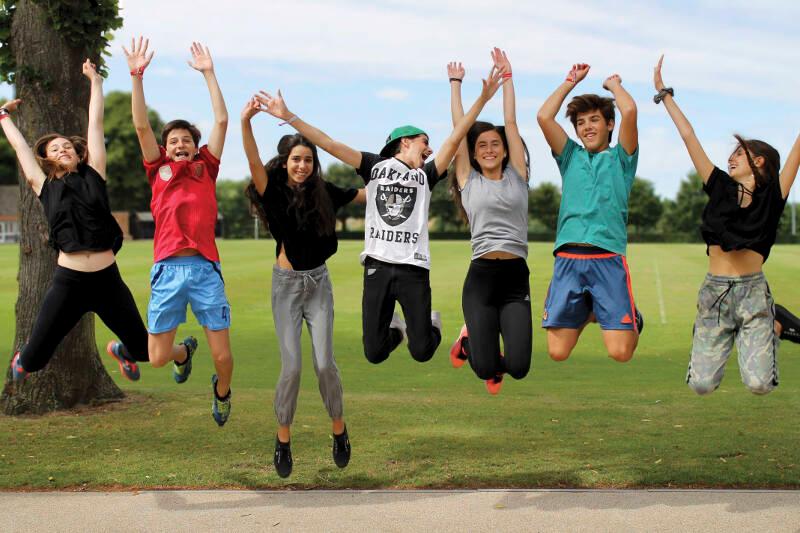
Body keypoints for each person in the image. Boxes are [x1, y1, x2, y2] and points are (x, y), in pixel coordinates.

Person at [255, 63, 505, 367]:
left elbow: (458, 135)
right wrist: (289, 116)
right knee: (374, 353)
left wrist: (482, 99)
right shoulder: (373, 166)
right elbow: (328, 143)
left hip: (413, 269)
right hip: (378, 268)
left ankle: (431, 323)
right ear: (406, 141)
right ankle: (396, 330)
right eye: (425, 142)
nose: (430, 149)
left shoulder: (427, 175)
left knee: (423, 351)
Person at [2, 60, 182, 383]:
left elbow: (95, 124)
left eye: (68, 146)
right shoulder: (44, 187)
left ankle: (123, 353)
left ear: (77, 153)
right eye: (56, 149)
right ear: (48, 158)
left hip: (106, 281)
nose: (63, 149)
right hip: (68, 282)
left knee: (143, 350)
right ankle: (25, 356)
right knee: (32, 360)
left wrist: (95, 82)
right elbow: (19, 148)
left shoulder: (94, 174)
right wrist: (3, 116)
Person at [654, 55, 800, 394]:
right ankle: (716, 335)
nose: (730, 158)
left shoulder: (774, 195)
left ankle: (775, 323)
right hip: (715, 294)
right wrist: (664, 93)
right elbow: (688, 136)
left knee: (760, 384)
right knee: (701, 385)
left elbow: (797, 148)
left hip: (753, 293)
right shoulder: (718, 184)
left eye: (739, 153)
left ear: (758, 161)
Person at [242, 97, 366, 478]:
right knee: (292, 367)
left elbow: (365, 194)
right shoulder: (272, 189)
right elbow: (251, 159)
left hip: (319, 285)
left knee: (325, 363)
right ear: (285, 161)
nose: (302, 165)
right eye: (296, 159)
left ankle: (339, 430)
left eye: (308, 160)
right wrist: (247, 121)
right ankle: (282, 439)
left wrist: (400, 175)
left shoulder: (324, 192)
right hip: (286, 287)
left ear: (314, 164)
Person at [124, 37, 233, 425]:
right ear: (166, 150)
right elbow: (140, 125)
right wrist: (137, 76)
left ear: (195, 146)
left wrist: (209, 73)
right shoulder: (158, 171)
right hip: (168, 271)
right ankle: (183, 353)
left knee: (223, 357)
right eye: (173, 141)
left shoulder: (207, 167)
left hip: (204, 270)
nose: (180, 144)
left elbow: (221, 120)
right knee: (156, 358)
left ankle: (222, 393)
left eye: (186, 139)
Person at [536, 62, 643, 364]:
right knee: (557, 353)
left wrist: (613, 86)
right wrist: (570, 81)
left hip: (607, 259)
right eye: (581, 122)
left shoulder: (621, 159)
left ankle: (631, 316)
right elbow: (544, 116)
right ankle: (589, 307)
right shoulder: (569, 156)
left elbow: (630, 112)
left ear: (609, 124)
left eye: (594, 120)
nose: (587, 127)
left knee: (620, 353)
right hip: (568, 260)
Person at [446, 49, 531, 395]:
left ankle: (481, 334)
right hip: (480, 280)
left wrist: (508, 78)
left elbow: (510, 122)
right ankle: (469, 340)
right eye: (482, 145)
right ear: (475, 152)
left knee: (520, 368)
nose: (490, 149)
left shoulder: (518, 177)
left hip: (514, 279)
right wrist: (456, 85)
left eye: (496, 144)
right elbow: (459, 128)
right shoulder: (468, 179)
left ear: (507, 150)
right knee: (484, 368)